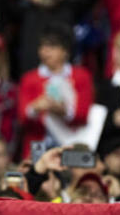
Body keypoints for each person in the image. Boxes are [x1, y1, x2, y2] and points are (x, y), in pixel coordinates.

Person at [17, 28, 94, 160]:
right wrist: (35, 107)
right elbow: (22, 118)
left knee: (72, 177)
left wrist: (63, 111)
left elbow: (83, 114)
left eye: (51, 47)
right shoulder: (30, 78)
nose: (45, 52)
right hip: (39, 143)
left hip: (72, 142)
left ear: (65, 51)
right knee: (37, 176)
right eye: (42, 47)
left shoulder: (81, 76)